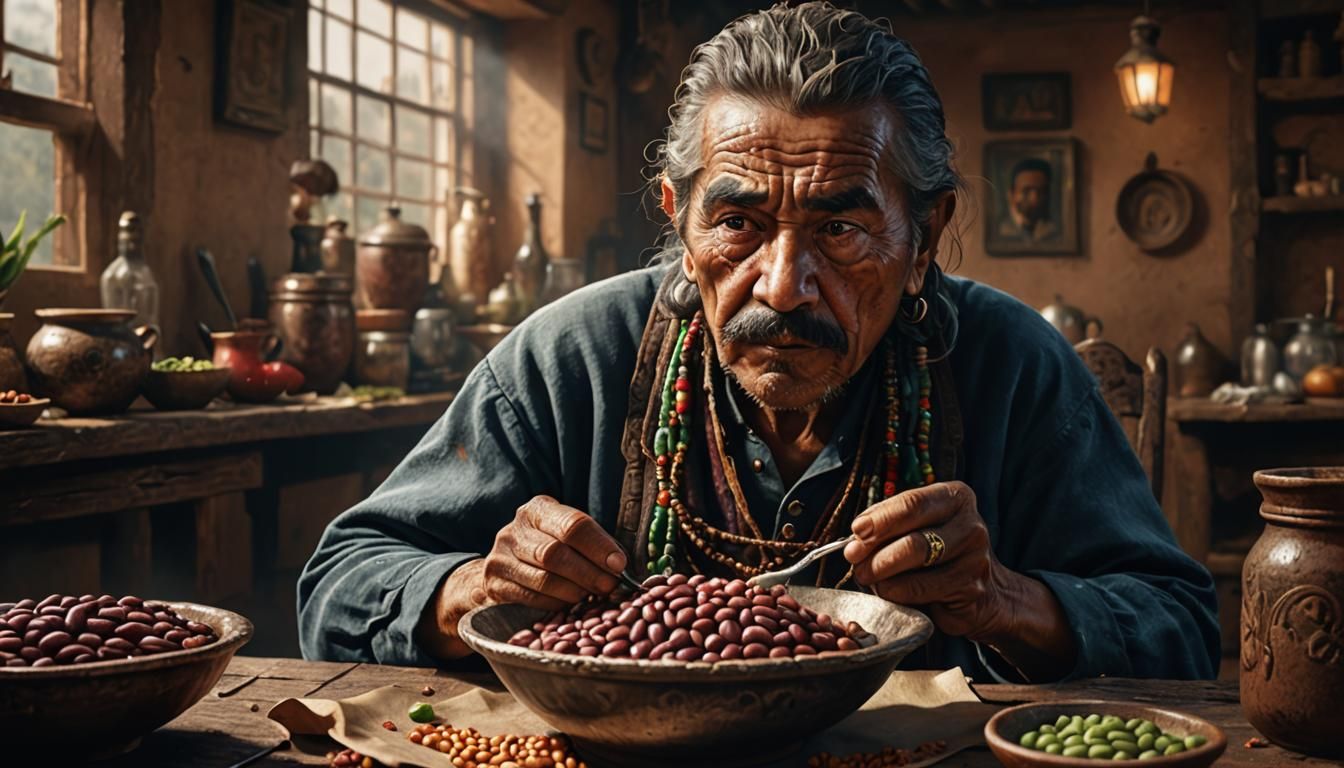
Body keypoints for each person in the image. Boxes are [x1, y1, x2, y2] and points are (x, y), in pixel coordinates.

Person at [298, 2, 1218, 683]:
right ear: (678, 215)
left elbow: (1181, 624)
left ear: (924, 235)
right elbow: (337, 586)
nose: (782, 286)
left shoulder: (1014, 366)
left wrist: (1008, 603)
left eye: (843, 231)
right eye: (736, 222)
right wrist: (471, 590)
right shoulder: (568, 359)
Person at [998, 157, 1058, 243]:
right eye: (1026, 191)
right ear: (1011, 194)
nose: (1034, 198)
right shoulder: (999, 230)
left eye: (1040, 191)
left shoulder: (1054, 230)